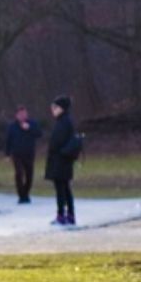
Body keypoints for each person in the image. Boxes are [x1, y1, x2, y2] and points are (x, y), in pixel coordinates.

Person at [44, 95, 79, 226]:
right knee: (66, 188)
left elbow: (57, 142)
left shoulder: (63, 123)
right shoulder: (65, 121)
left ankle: (61, 215)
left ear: (62, 108)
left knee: (61, 189)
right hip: (64, 161)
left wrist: (53, 151)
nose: (53, 110)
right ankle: (70, 214)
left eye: (55, 107)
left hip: (60, 161)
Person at [3, 104, 42, 204]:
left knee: (29, 175)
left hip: (29, 153)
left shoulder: (32, 123)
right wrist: (7, 154)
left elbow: (39, 134)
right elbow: (8, 140)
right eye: (20, 114)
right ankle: (21, 195)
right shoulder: (12, 126)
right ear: (16, 115)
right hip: (17, 154)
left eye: (24, 114)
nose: (23, 116)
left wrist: (29, 128)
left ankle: (26, 193)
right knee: (19, 173)